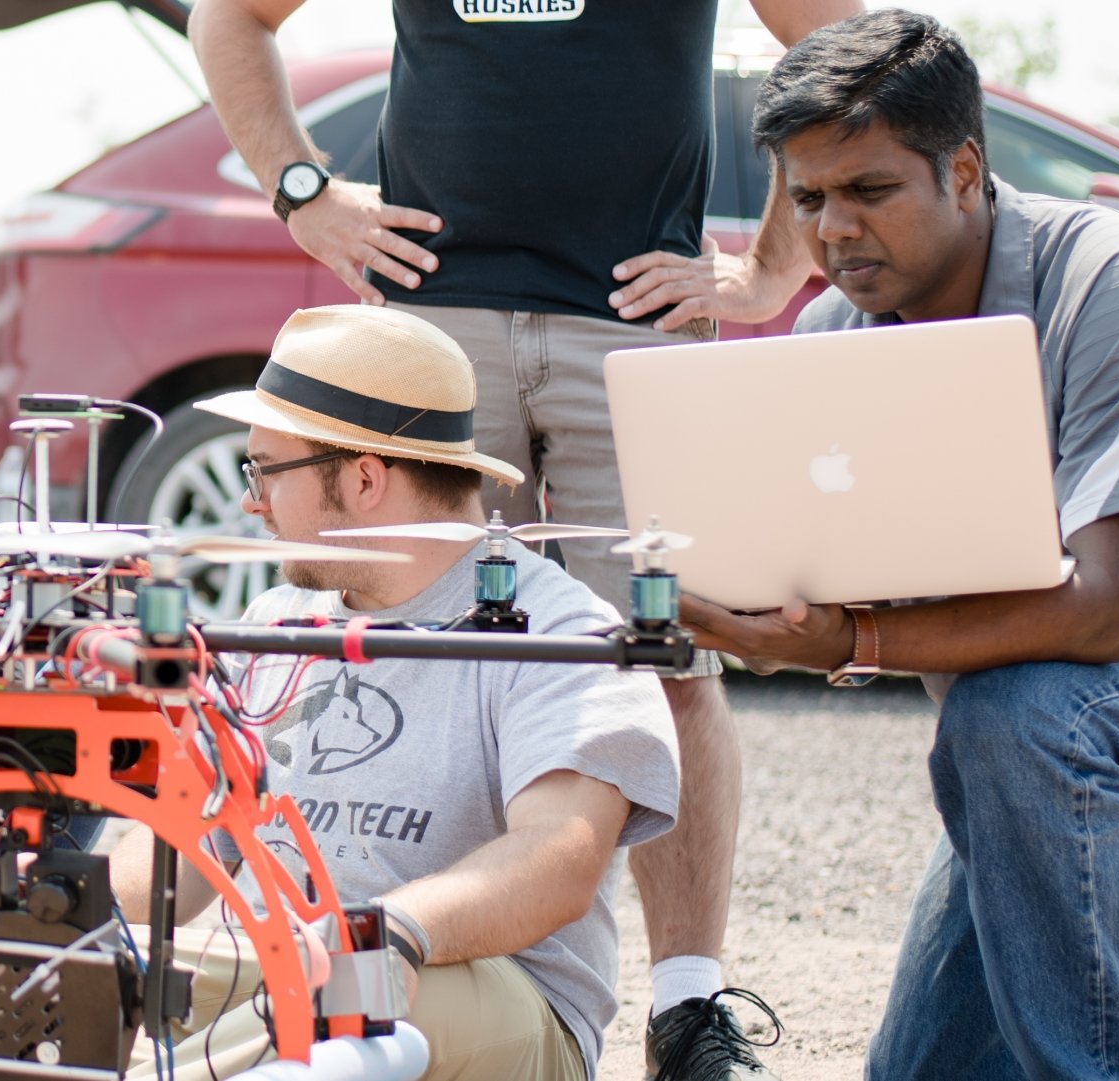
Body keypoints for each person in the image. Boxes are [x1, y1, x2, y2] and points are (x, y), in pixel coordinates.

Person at [187, 2, 859, 1072]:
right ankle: (406, 945)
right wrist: (303, 191)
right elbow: (232, 20)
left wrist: (778, 262)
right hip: (436, 319)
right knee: (419, 644)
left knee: (665, 658)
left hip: (635, 318)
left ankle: (688, 1012)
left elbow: (837, 40)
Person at [683, 12, 1119, 1080]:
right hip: (1031, 723)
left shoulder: (1110, 279)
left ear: (966, 169)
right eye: (809, 201)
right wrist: (753, 602)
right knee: (924, 1074)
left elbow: (1111, 611)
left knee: (1012, 716)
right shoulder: (831, 342)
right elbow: (850, 578)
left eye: (869, 192)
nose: (835, 230)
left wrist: (849, 640)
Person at [106, 304, 681, 1080]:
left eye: (264, 470)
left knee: (349, 984)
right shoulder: (272, 622)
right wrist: (55, 907)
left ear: (365, 479)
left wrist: (393, 929)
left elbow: (560, 857)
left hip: (487, 997)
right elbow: (185, 841)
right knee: (46, 981)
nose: (249, 502)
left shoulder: (562, 627)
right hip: (278, 966)